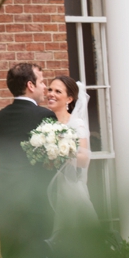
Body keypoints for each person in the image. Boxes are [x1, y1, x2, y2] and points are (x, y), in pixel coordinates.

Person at [0, 63, 57, 258]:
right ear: (30, 85)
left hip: (5, 198)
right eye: (41, 81)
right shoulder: (43, 116)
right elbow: (51, 162)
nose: (44, 87)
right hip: (33, 202)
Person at [44, 75, 98, 245]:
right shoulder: (45, 121)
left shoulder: (76, 124)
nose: (51, 94)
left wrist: (59, 151)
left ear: (69, 98)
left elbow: (83, 158)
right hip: (46, 189)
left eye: (57, 91)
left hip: (69, 189)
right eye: (50, 89)